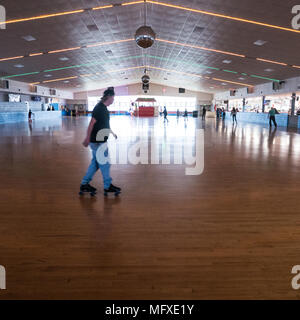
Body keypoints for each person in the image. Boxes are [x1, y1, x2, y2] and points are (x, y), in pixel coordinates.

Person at [80, 87, 121, 195]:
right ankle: (107, 186)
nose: (114, 100)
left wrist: (112, 133)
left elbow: (104, 124)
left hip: (99, 140)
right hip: (98, 141)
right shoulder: (99, 108)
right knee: (105, 163)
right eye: (113, 97)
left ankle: (84, 184)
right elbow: (91, 124)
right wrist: (87, 138)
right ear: (109, 97)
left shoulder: (103, 109)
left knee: (96, 164)